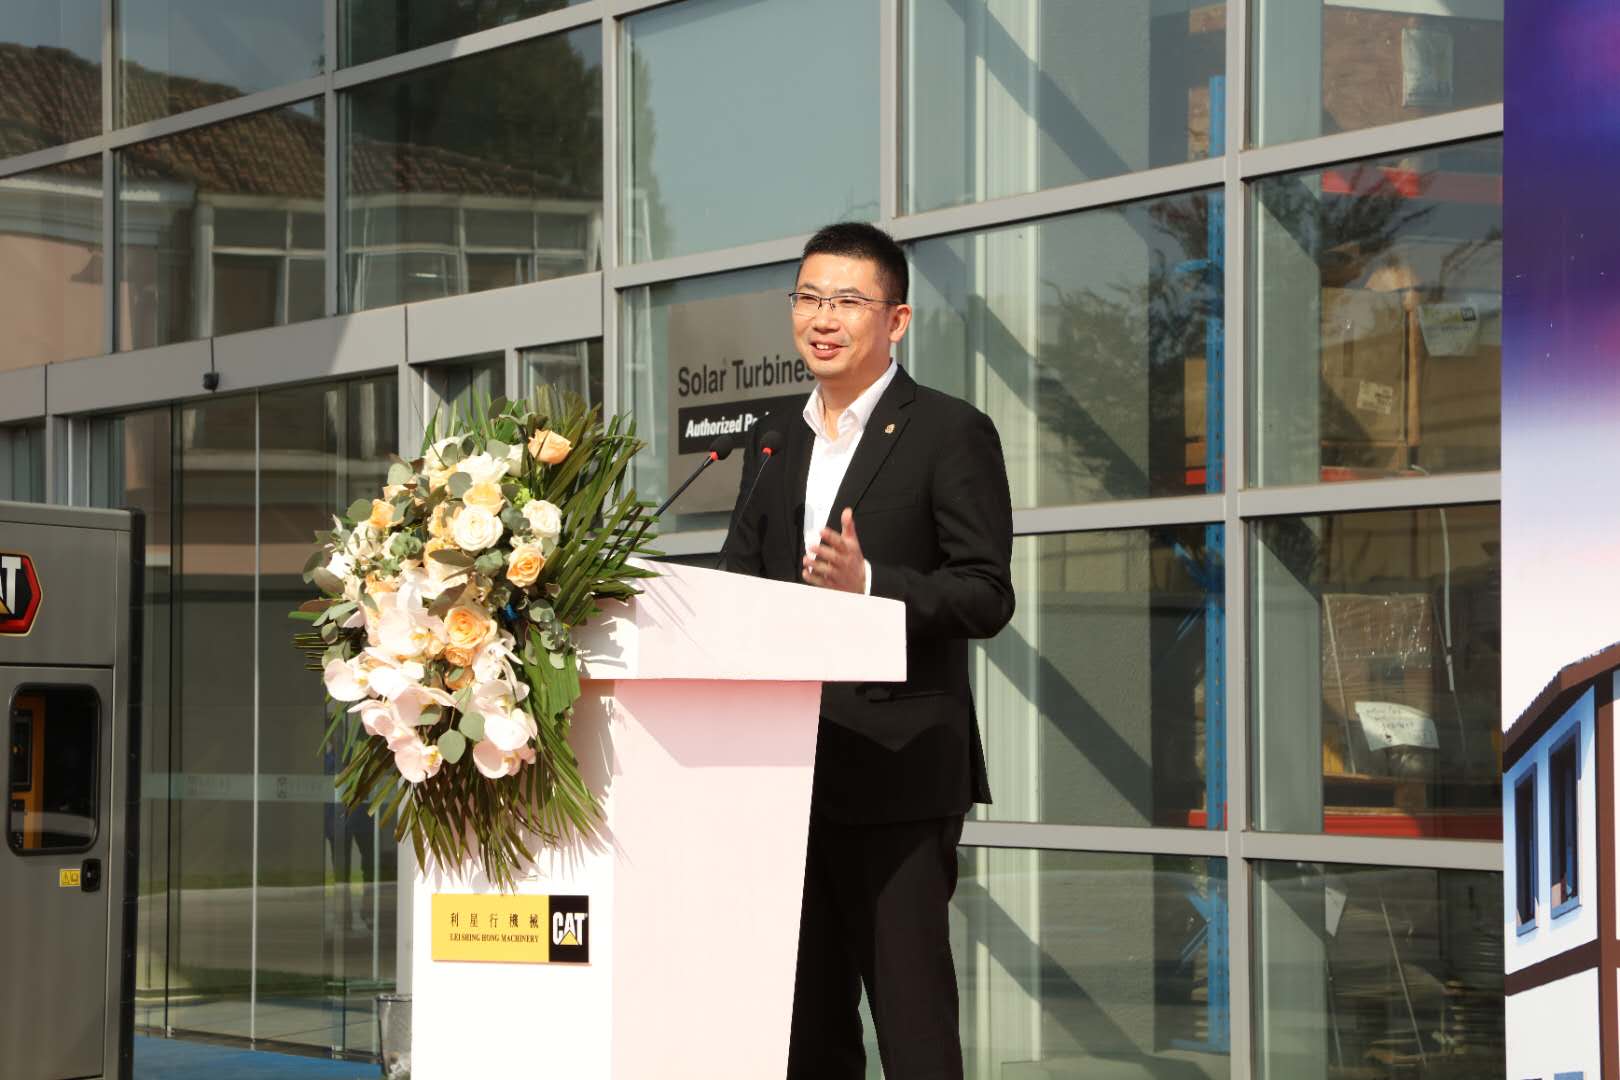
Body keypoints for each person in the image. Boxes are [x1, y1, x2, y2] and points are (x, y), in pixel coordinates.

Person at [722, 221, 1015, 1079]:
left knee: (912, 1027)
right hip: (787, 773)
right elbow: (740, 583)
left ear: (896, 320)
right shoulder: (774, 437)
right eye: (808, 298)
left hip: (899, 773)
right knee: (805, 1031)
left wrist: (873, 583)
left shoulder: (948, 431)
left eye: (847, 301)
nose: (823, 318)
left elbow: (986, 593)